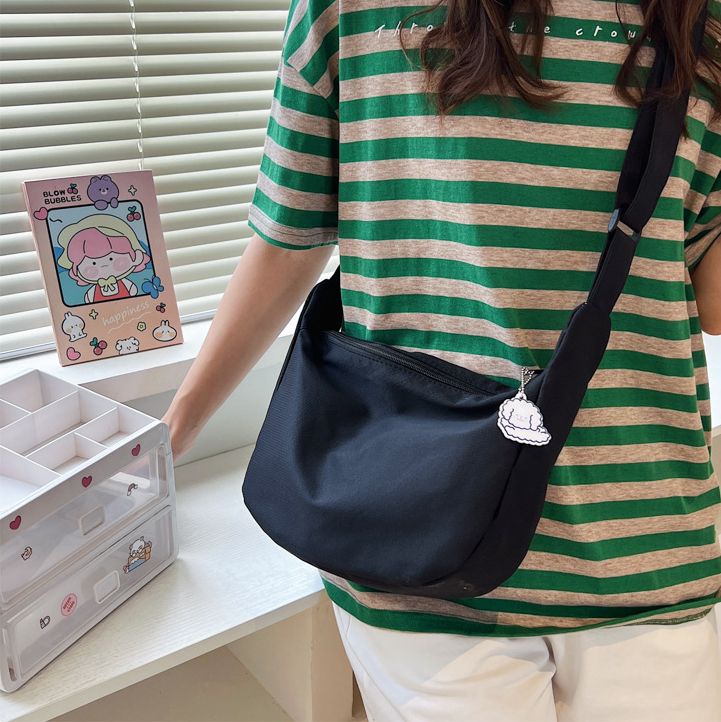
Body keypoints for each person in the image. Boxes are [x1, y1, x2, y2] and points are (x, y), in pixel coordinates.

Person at [163, 0, 721, 719]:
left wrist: (172, 434)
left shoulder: (699, 21)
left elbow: (707, 298)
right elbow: (287, 244)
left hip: (618, 543)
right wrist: (170, 435)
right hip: (446, 542)